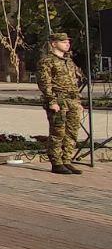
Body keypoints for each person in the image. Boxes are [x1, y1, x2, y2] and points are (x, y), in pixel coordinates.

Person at [37, 32, 86, 174]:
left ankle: (66, 160)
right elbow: (44, 83)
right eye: (63, 42)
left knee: (72, 132)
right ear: (54, 43)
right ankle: (56, 162)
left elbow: (74, 83)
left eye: (68, 41)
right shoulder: (47, 61)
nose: (67, 44)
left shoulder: (68, 61)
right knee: (58, 132)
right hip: (58, 99)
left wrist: (77, 101)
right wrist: (51, 101)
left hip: (71, 100)